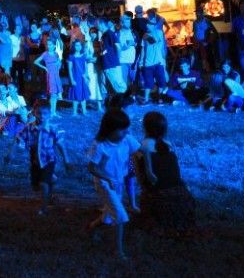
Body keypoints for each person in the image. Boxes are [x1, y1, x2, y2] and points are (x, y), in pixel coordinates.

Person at [86, 109, 141, 260]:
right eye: (122, 129)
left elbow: (140, 151)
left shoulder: (126, 139)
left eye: (126, 128)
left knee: (110, 214)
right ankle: (119, 251)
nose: (126, 132)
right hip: (105, 184)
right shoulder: (100, 145)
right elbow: (92, 168)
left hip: (118, 182)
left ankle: (92, 227)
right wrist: (107, 178)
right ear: (110, 129)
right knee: (121, 215)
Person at [135, 112, 197, 235]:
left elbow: (140, 178)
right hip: (182, 197)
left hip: (157, 199)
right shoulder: (168, 146)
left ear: (145, 128)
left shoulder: (140, 148)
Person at [6, 105, 69, 215]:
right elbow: (17, 140)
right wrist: (11, 153)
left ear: (50, 115)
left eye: (45, 114)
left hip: (48, 160)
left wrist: (67, 160)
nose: (42, 116)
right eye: (39, 113)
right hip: (35, 161)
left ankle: (44, 209)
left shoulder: (53, 129)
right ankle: (52, 180)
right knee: (35, 187)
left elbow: (61, 145)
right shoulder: (29, 128)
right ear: (35, 113)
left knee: (43, 184)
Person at [139, 22, 168, 105]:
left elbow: (160, 46)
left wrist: (163, 61)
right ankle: (146, 100)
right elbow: (143, 50)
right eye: (147, 25)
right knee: (148, 83)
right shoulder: (145, 36)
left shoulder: (159, 33)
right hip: (148, 63)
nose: (147, 26)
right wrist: (141, 62)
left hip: (158, 62)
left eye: (149, 25)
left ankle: (160, 98)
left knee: (161, 82)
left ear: (154, 25)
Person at [33, 39, 63, 116]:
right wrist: (44, 67)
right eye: (48, 44)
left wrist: (59, 63)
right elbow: (36, 62)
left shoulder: (56, 54)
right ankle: (53, 112)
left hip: (56, 75)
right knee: (53, 93)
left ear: (54, 46)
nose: (49, 46)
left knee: (55, 94)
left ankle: (53, 111)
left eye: (50, 44)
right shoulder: (45, 54)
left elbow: (59, 64)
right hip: (50, 75)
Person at [67, 40, 90, 116]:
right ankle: (74, 112)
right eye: (76, 45)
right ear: (74, 47)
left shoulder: (84, 56)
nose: (78, 47)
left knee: (83, 93)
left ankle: (84, 111)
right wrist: (72, 80)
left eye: (79, 45)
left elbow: (86, 68)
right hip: (76, 78)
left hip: (82, 78)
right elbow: (70, 69)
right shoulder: (71, 57)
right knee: (76, 94)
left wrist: (86, 77)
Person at [10, 25, 27, 90]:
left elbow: (24, 47)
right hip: (13, 58)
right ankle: (13, 88)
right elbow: (10, 47)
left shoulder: (22, 37)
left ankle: (22, 89)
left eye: (20, 29)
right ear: (14, 30)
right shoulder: (11, 37)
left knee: (21, 74)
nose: (19, 30)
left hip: (21, 59)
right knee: (13, 74)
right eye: (18, 29)